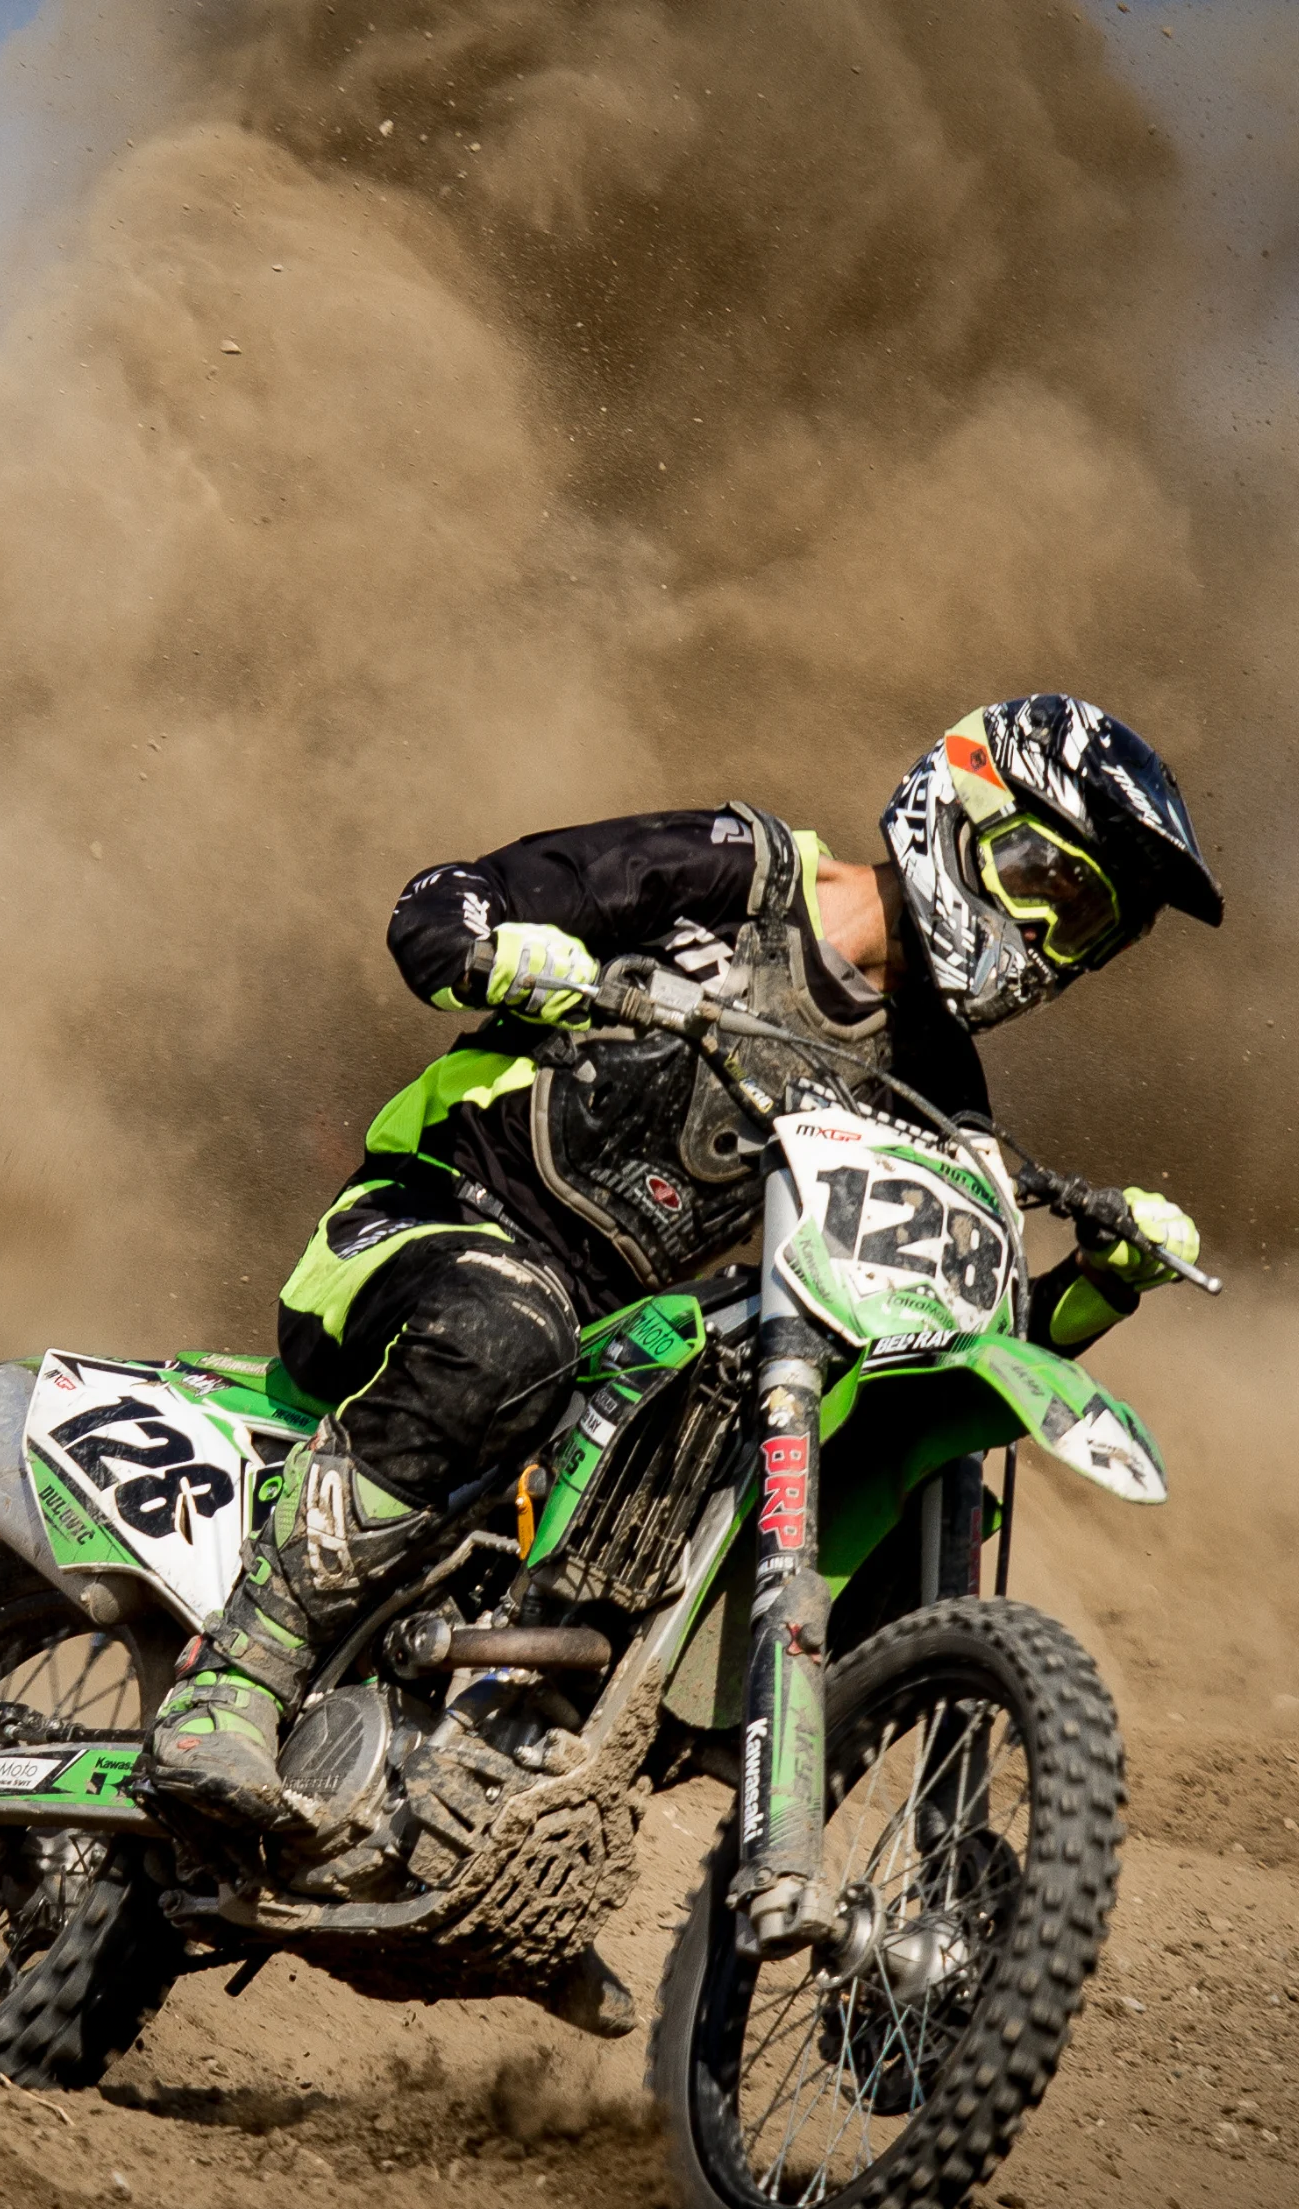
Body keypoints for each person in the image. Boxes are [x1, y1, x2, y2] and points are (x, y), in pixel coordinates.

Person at [146, 695, 1224, 1833]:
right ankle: (237, 1671)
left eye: (1089, 932)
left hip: (603, 1354)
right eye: (1051, 889)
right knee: (512, 1329)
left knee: (823, 1456)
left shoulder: (933, 1075)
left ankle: (541, 1817)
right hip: (420, 1231)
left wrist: (1100, 1283)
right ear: (966, 810)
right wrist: (501, 954)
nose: (1053, 945)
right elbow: (445, 899)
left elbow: (960, 1335)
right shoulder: (737, 876)